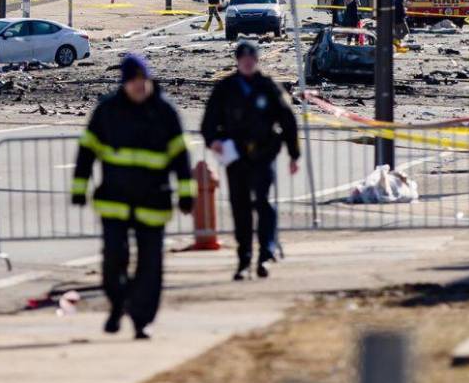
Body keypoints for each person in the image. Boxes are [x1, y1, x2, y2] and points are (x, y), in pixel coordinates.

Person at [71, 54, 193, 339]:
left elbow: (181, 157)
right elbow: (87, 150)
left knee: (151, 267)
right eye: (133, 81)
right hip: (115, 201)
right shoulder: (107, 111)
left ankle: (142, 321)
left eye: (143, 80)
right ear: (124, 83)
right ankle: (118, 304)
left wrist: (187, 194)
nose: (139, 86)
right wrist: (79, 188)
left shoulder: (165, 113)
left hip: (153, 203)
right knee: (113, 261)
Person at [201, 40, 300, 281]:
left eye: (251, 58)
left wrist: (293, 154)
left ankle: (265, 253)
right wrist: (212, 140)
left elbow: (287, 120)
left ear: (256, 60)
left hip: (263, 154)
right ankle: (244, 258)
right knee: (241, 207)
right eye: (243, 58)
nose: (247, 62)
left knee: (263, 202)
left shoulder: (268, 87)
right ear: (237, 61)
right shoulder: (225, 88)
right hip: (235, 157)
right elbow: (209, 122)